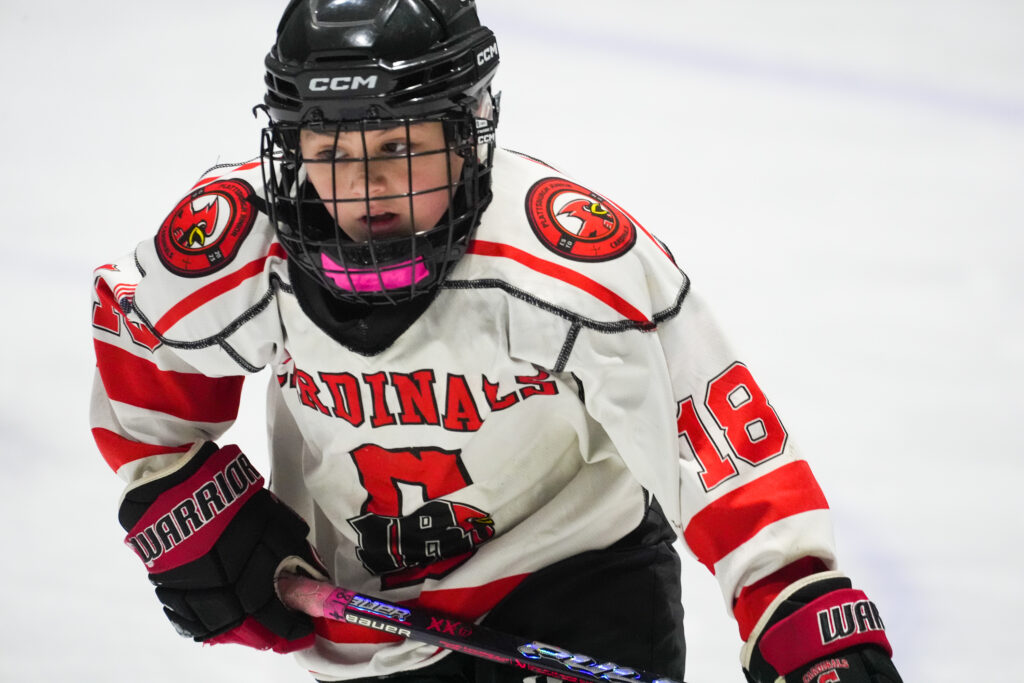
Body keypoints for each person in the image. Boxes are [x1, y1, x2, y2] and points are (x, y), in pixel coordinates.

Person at [90, 2, 904, 682]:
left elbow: (702, 423)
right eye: (330, 152)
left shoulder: (562, 261)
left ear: (467, 129)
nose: (365, 186)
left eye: (398, 149)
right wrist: (184, 503)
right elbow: (142, 360)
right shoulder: (242, 243)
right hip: (372, 632)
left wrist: (793, 595)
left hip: (580, 581)